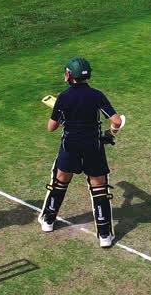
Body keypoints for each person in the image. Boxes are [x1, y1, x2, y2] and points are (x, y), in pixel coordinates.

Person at [38, 57, 124, 248]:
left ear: (69, 75)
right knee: (99, 188)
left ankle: (48, 221)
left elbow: (51, 127)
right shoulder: (96, 95)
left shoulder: (64, 97)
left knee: (60, 182)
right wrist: (111, 133)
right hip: (93, 147)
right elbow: (117, 121)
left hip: (70, 147)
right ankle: (104, 236)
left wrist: (64, 119)